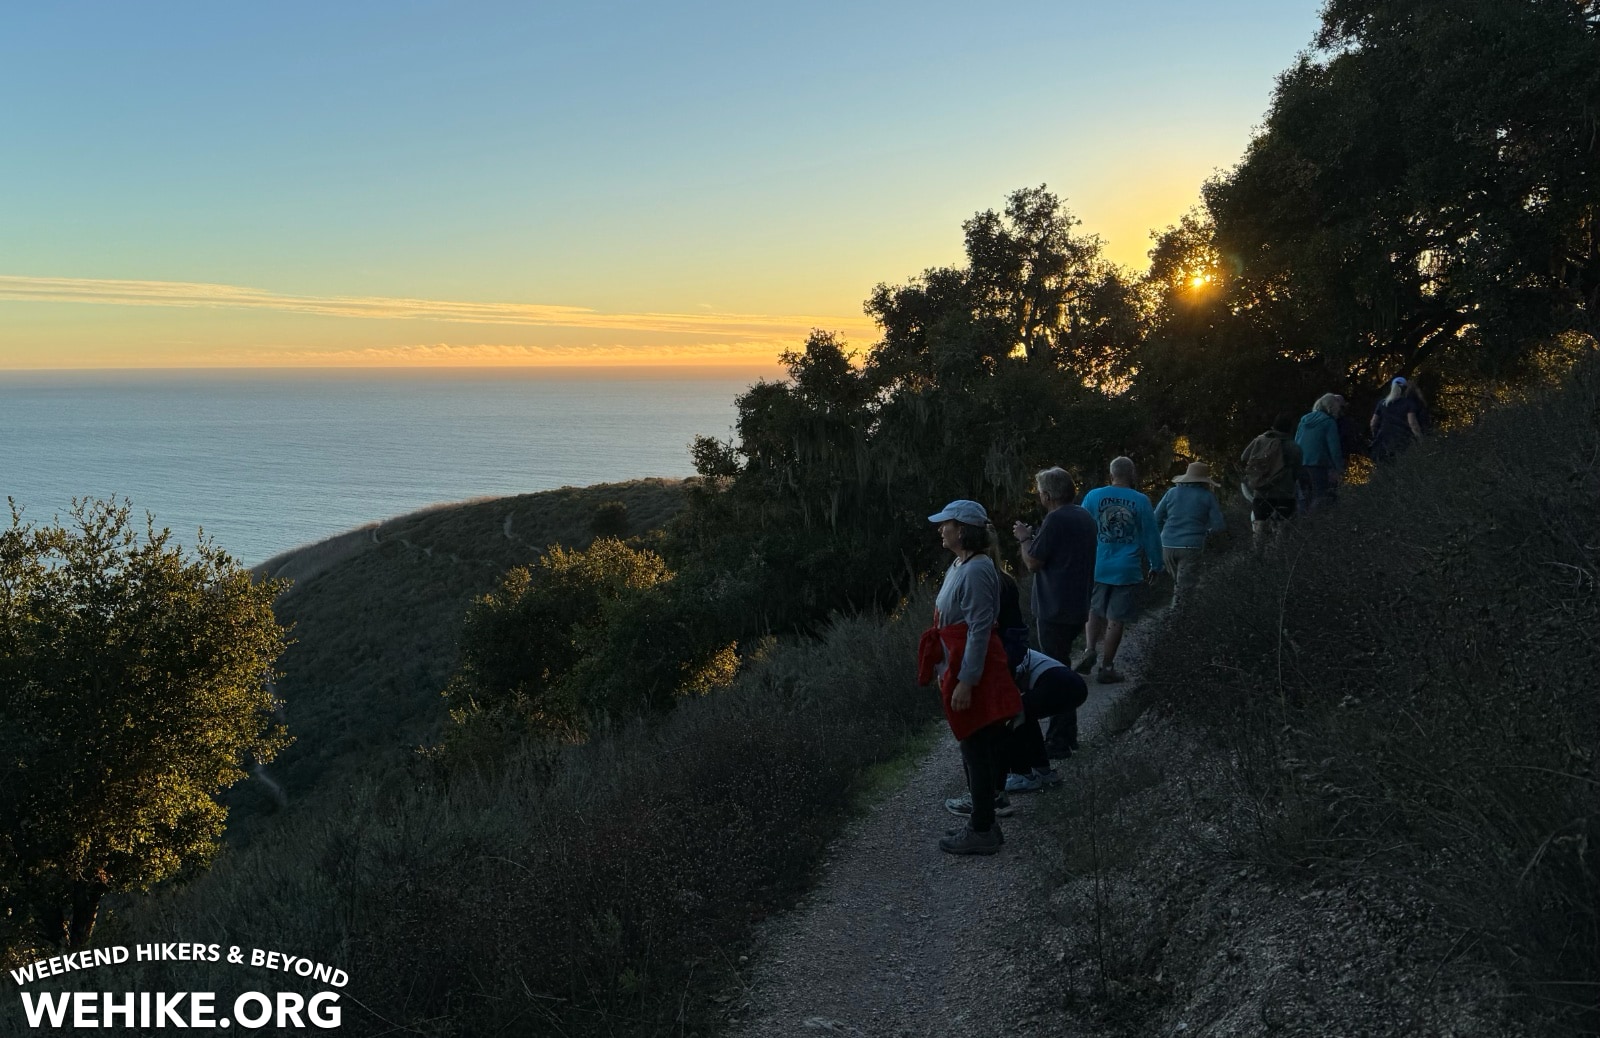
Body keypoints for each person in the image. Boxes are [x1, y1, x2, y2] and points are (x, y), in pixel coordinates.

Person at [917, 499, 1022, 856]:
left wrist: (967, 680)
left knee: (976, 748)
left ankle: (982, 828)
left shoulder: (977, 570)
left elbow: (979, 629)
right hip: (958, 667)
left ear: (962, 530)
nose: (940, 529)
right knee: (975, 747)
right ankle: (984, 822)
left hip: (972, 670)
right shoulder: (960, 564)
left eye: (945, 523)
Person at [1012, 466, 1096, 756]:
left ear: (1048, 495)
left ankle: (1059, 741)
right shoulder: (1083, 515)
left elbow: (1033, 562)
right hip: (1078, 602)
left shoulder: (1056, 519)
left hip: (1054, 606)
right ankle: (1067, 735)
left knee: (1055, 674)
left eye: (1039, 493)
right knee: (1062, 668)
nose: (1039, 498)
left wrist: (1024, 538)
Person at [1075, 457, 1163, 684]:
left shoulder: (1094, 496)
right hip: (1126, 568)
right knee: (1116, 618)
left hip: (1097, 564)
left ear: (1111, 473)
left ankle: (1089, 649)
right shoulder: (1141, 501)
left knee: (1094, 610)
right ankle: (1107, 667)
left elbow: (1081, 527)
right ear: (1132, 473)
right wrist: (1156, 564)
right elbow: (1151, 535)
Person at [1001, 648, 1088, 793]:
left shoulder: (1000, 650)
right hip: (1074, 684)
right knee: (1026, 715)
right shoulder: (1012, 644)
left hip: (1056, 681)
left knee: (1014, 714)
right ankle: (1043, 771)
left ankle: (1023, 775)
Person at [1152, 462, 1226, 605]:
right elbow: (1219, 526)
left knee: (1179, 585)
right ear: (1204, 481)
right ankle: (1176, 622)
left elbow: (1155, 518)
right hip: (1191, 547)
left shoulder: (1171, 493)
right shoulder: (1208, 496)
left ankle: (1176, 620)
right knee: (1184, 592)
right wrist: (1206, 533)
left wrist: (1165, 534)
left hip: (1167, 546)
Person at [1241, 414, 1303, 545]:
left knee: (1259, 526)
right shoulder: (1294, 446)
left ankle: (1257, 555)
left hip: (1262, 490)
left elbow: (1244, 457)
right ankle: (1277, 555)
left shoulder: (1260, 440)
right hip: (1284, 492)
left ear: (1273, 426)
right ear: (1290, 429)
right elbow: (1298, 471)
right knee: (1282, 527)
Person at [1295, 394, 1345, 513]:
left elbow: (1296, 441)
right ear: (1332, 407)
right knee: (1320, 496)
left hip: (1300, 464)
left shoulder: (1304, 420)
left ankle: (1303, 525)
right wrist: (1339, 468)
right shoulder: (1329, 422)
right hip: (1317, 464)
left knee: (1304, 498)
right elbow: (1334, 448)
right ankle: (1318, 524)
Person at [1370, 376, 1424, 462]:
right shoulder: (1409, 403)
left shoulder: (1382, 403)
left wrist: (1375, 434)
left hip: (1383, 440)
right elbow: (1412, 423)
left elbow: (1373, 423)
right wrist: (1420, 439)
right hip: (1403, 440)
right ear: (1405, 389)